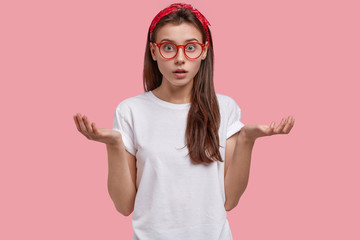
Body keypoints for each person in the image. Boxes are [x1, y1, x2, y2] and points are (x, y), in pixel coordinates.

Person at [73, 3, 295, 240]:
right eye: (168, 47)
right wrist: (114, 144)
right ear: (154, 51)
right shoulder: (130, 110)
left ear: (204, 50)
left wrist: (247, 140)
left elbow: (229, 200)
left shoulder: (225, 108)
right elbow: (123, 205)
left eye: (191, 47)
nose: (180, 59)